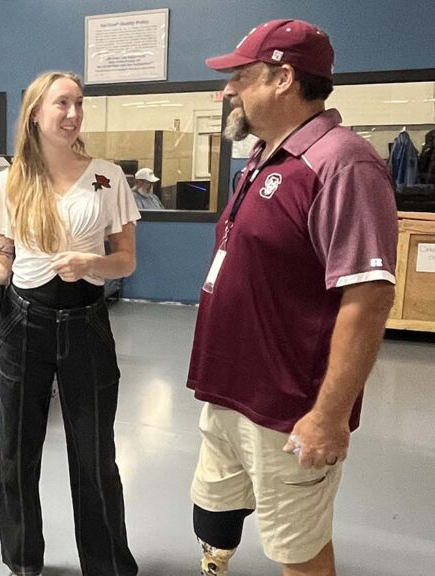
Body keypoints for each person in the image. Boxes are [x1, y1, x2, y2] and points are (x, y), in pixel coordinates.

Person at [187, 19, 398, 576]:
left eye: (240, 76)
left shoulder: (342, 162)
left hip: (287, 409)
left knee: (297, 552)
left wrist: (328, 416)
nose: (227, 89)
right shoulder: (262, 155)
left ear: (283, 78)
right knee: (212, 514)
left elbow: (368, 296)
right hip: (230, 388)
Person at [0, 71, 140, 576]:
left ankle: (108, 565)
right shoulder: (6, 183)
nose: (73, 115)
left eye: (79, 104)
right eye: (62, 104)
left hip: (86, 324)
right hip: (25, 326)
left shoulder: (106, 176)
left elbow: (126, 260)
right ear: (35, 114)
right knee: (18, 454)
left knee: (94, 454)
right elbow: (1, 265)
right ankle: (23, 561)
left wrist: (91, 265)